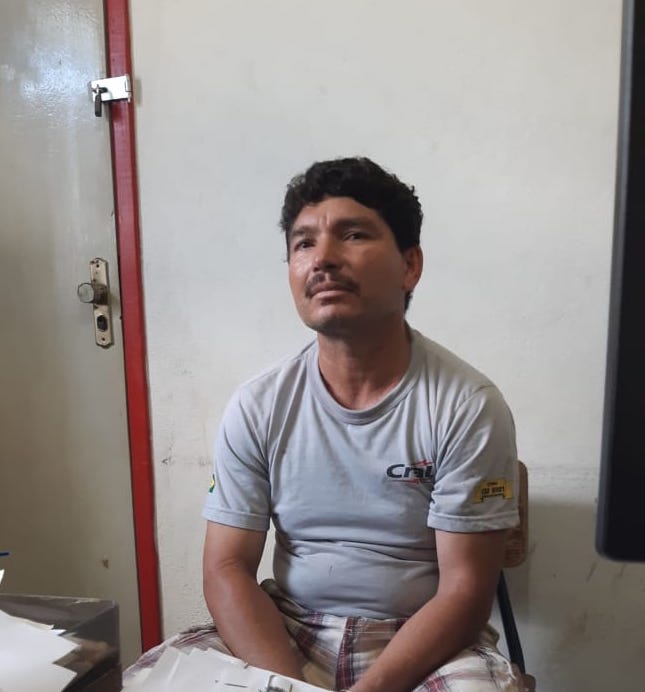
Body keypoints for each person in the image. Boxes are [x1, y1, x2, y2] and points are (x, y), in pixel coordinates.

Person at [127, 157, 521, 691]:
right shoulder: (259, 405)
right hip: (288, 630)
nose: (323, 259)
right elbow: (226, 568)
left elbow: (465, 591)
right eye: (303, 243)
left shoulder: (466, 405)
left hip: (420, 642)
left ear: (410, 265)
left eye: (353, 235)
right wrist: (290, 687)